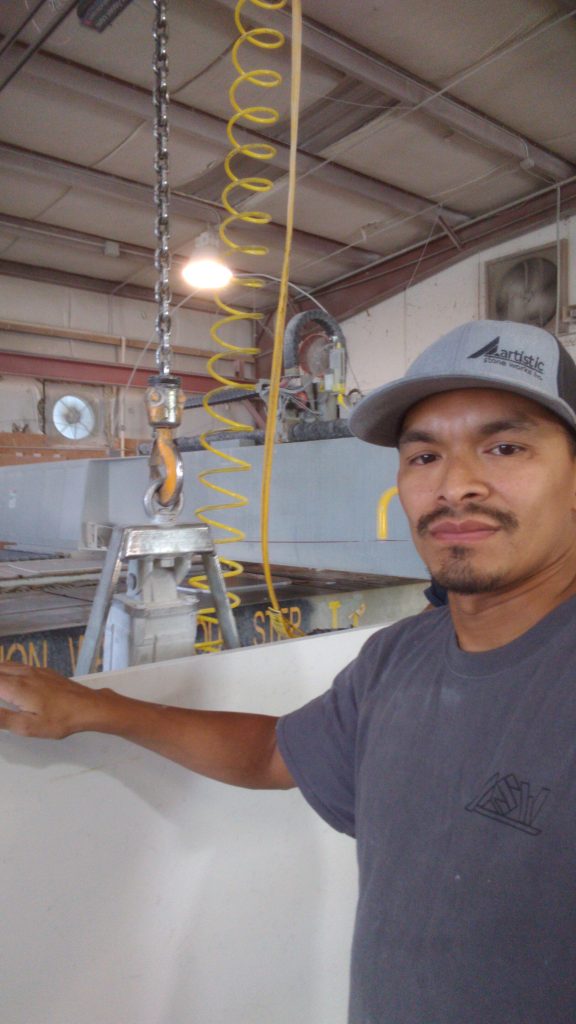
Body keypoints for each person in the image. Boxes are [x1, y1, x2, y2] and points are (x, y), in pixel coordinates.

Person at [2, 317, 576, 1023]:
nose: (457, 485)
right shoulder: (399, 658)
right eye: (424, 457)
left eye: (506, 446)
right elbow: (277, 750)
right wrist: (100, 708)